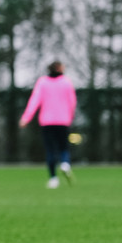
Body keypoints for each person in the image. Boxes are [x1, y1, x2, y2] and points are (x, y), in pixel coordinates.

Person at [20, 60, 78, 189]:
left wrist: (26, 118)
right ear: (58, 68)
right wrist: (71, 116)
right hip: (63, 121)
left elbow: (34, 100)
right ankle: (65, 164)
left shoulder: (42, 82)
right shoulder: (66, 82)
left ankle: (53, 178)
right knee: (63, 147)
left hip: (47, 122)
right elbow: (72, 102)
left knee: (51, 150)